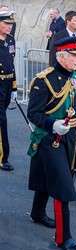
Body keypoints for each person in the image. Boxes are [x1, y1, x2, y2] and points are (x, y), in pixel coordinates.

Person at [27, 36, 76, 250]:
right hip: (48, 139)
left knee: (47, 177)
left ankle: (37, 213)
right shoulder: (43, 80)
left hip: (69, 137)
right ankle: (64, 238)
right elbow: (33, 113)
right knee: (62, 186)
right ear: (61, 55)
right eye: (74, 56)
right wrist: (52, 124)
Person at [0, 11, 17, 171]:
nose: (9, 27)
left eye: (10, 24)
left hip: (7, 83)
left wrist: (14, 86)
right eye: (6, 24)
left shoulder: (10, 40)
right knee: (2, 121)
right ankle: (3, 157)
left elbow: (11, 63)